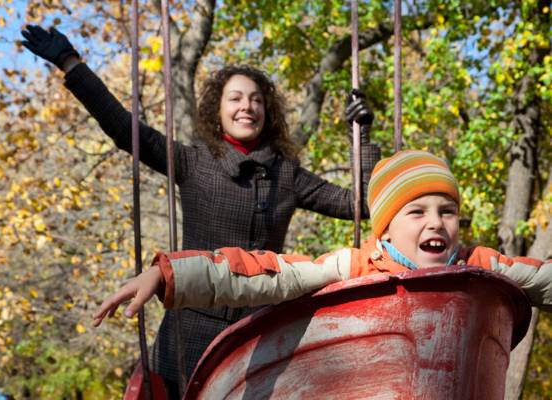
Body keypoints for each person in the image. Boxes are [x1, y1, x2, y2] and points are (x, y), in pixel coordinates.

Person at [20, 25, 382, 397]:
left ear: (267, 111)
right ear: (217, 109)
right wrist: (71, 64)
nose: (247, 107)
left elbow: (362, 206)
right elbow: (122, 128)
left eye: (256, 100)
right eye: (236, 98)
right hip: (188, 336)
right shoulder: (193, 161)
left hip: (259, 335)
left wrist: (363, 138)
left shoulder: (287, 174)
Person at [93, 149, 552, 325]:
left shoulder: (480, 268)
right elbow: (266, 275)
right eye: (416, 211)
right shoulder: (356, 267)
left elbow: (543, 278)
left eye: (447, 211)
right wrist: (166, 274)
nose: (436, 222)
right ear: (386, 227)